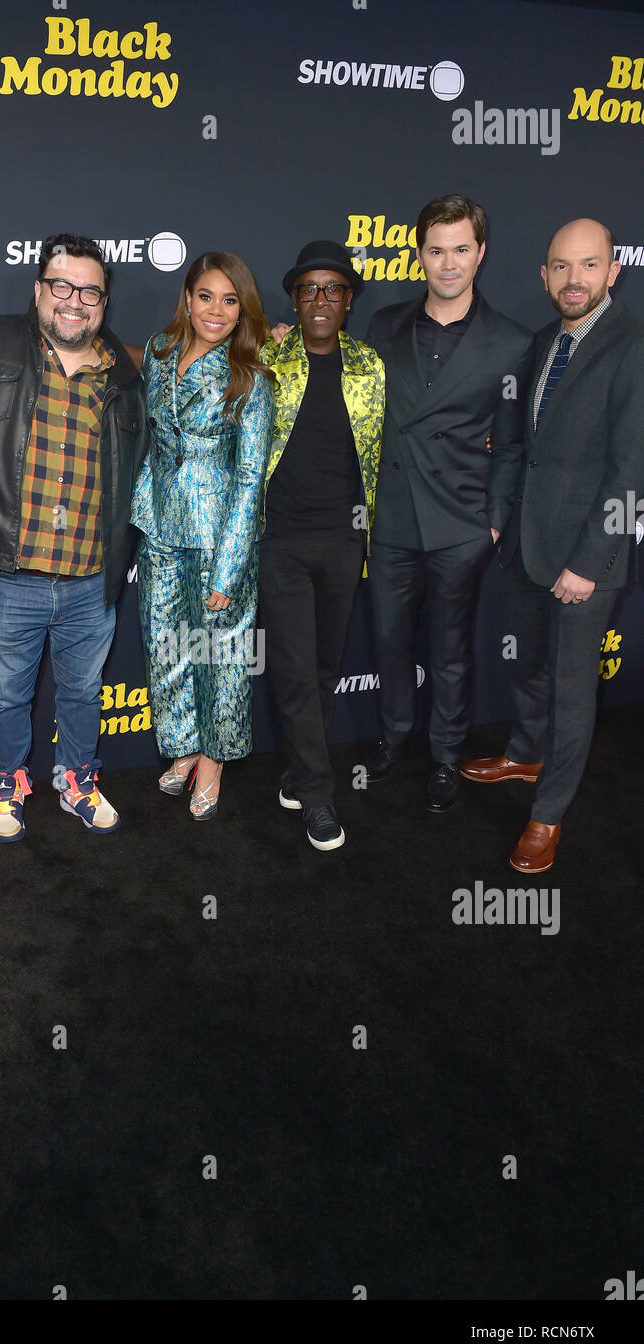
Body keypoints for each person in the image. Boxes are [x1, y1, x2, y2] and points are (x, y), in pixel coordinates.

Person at [460, 219, 644, 872]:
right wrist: (497, 518)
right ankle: (524, 753)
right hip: (525, 545)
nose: (574, 280)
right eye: (561, 267)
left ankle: (548, 813)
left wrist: (589, 564)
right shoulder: (542, 342)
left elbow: (631, 470)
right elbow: (516, 447)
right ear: (544, 276)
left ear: (613, 271)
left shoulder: (633, 343)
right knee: (528, 668)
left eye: (588, 266)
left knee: (571, 691)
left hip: (586, 560)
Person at [0, 234, 146, 842]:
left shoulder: (122, 371)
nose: (74, 301)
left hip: (92, 577)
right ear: (38, 290)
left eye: (89, 290)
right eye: (61, 286)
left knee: (84, 692)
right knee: (7, 696)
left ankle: (76, 780)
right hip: (11, 572)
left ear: (104, 301)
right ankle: (6, 785)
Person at [361, 194, 534, 813]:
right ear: (419, 255)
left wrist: (492, 522)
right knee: (388, 641)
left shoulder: (511, 342)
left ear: (480, 254)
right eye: (436, 250)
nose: (448, 262)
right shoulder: (383, 325)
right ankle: (393, 737)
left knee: (452, 649)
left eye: (461, 249)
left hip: (461, 523)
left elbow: (511, 445)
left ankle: (444, 756)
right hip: (392, 519)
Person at [131, 251, 273, 819]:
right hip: (159, 524)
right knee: (168, 648)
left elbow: (249, 476)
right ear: (187, 299)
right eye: (206, 296)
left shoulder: (251, 378)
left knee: (221, 654)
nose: (216, 310)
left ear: (242, 311)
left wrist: (230, 566)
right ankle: (186, 747)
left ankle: (215, 759)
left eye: (230, 300)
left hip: (221, 538)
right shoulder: (157, 353)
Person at [259, 241, 384, 851]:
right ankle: (317, 792)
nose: (320, 299)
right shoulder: (268, 357)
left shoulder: (371, 367)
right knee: (293, 668)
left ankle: (298, 770)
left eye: (332, 289)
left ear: (349, 300)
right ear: (294, 298)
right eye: (309, 289)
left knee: (325, 667)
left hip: (345, 538)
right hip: (279, 539)